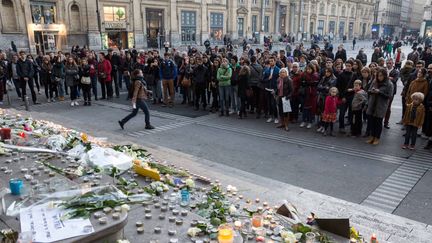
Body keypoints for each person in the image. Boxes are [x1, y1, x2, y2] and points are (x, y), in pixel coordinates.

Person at [366, 67, 393, 145]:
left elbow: (389, 96)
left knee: (378, 122)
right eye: (378, 76)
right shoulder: (375, 81)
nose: (379, 77)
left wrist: (380, 92)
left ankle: (377, 137)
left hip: (381, 106)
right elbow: (369, 90)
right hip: (372, 104)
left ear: (385, 76)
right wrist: (372, 91)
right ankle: (372, 136)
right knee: (371, 122)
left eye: (381, 76)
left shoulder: (389, 84)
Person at [336, 60, 354, 133]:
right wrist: (342, 97)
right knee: (342, 113)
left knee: (352, 114)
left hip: (352, 97)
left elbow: (357, 86)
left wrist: (353, 89)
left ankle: (352, 128)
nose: (347, 67)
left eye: (349, 66)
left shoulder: (354, 75)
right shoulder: (341, 75)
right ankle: (341, 127)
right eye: (346, 66)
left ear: (352, 66)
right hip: (343, 97)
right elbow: (338, 87)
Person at [316, 68, 336, 133]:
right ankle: (321, 126)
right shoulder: (323, 78)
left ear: (331, 72)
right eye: (326, 72)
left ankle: (325, 126)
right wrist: (324, 87)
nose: (326, 73)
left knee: (326, 113)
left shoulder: (334, 79)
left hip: (328, 98)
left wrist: (323, 87)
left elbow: (330, 89)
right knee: (322, 112)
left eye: (328, 72)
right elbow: (318, 87)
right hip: (322, 97)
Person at [300, 63, 319, 129]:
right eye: (307, 69)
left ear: (312, 69)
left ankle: (310, 121)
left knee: (311, 109)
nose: (308, 70)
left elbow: (315, 84)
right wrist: (307, 83)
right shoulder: (303, 74)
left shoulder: (315, 75)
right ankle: (304, 121)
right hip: (305, 93)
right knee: (304, 108)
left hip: (312, 94)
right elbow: (302, 83)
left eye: (310, 69)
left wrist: (307, 83)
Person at [263, 57, 280, 124]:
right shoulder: (267, 70)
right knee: (269, 104)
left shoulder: (278, 70)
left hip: (274, 89)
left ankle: (276, 117)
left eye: (272, 61)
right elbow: (263, 80)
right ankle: (271, 116)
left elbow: (279, 82)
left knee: (274, 104)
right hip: (267, 89)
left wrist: (276, 90)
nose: (271, 62)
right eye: (270, 61)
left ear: (275, 62)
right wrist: (268, 79)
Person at [384, 59, 399, 129]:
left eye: (390, 63)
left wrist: (386, 78)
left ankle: (386, 122)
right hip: (383, 90)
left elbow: (395, 80)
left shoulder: (395, 71)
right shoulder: (383, 70)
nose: (388, 64)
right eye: (387, 63)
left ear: (393, 63)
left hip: (391, 92)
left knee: (388, 107)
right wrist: (389, 78)